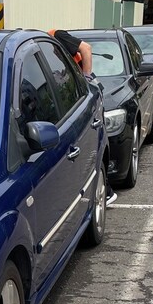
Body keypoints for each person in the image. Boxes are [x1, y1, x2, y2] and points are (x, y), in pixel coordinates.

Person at [48, 29, 118, 207]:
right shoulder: (54, 49)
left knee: (93, 141)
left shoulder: (57, 35)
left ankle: (106, 191)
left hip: (87, 89)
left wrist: (85, 79)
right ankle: (105, 190)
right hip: (82, 89)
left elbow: (86, 48)